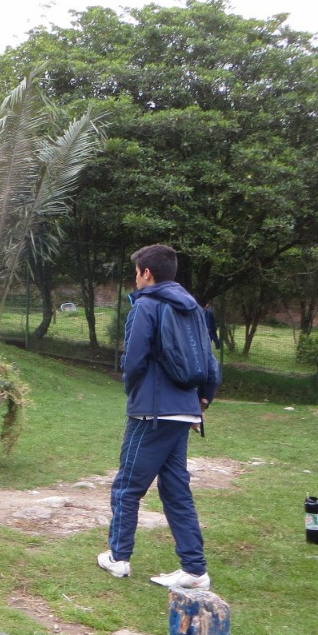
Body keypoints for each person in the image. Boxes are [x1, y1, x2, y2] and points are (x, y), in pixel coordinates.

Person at [98, 244, 220, 589]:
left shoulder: (146, 306)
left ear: (146, 273)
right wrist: (203, 399)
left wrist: (134, 392)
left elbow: (134, 361)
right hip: (185, 410)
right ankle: (195, 570)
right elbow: (210, 360)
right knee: (176, 489)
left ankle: (118, 557)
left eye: (136, 272)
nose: (135, 279)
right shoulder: (194, 308)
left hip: (152, 414)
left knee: (127, 487)